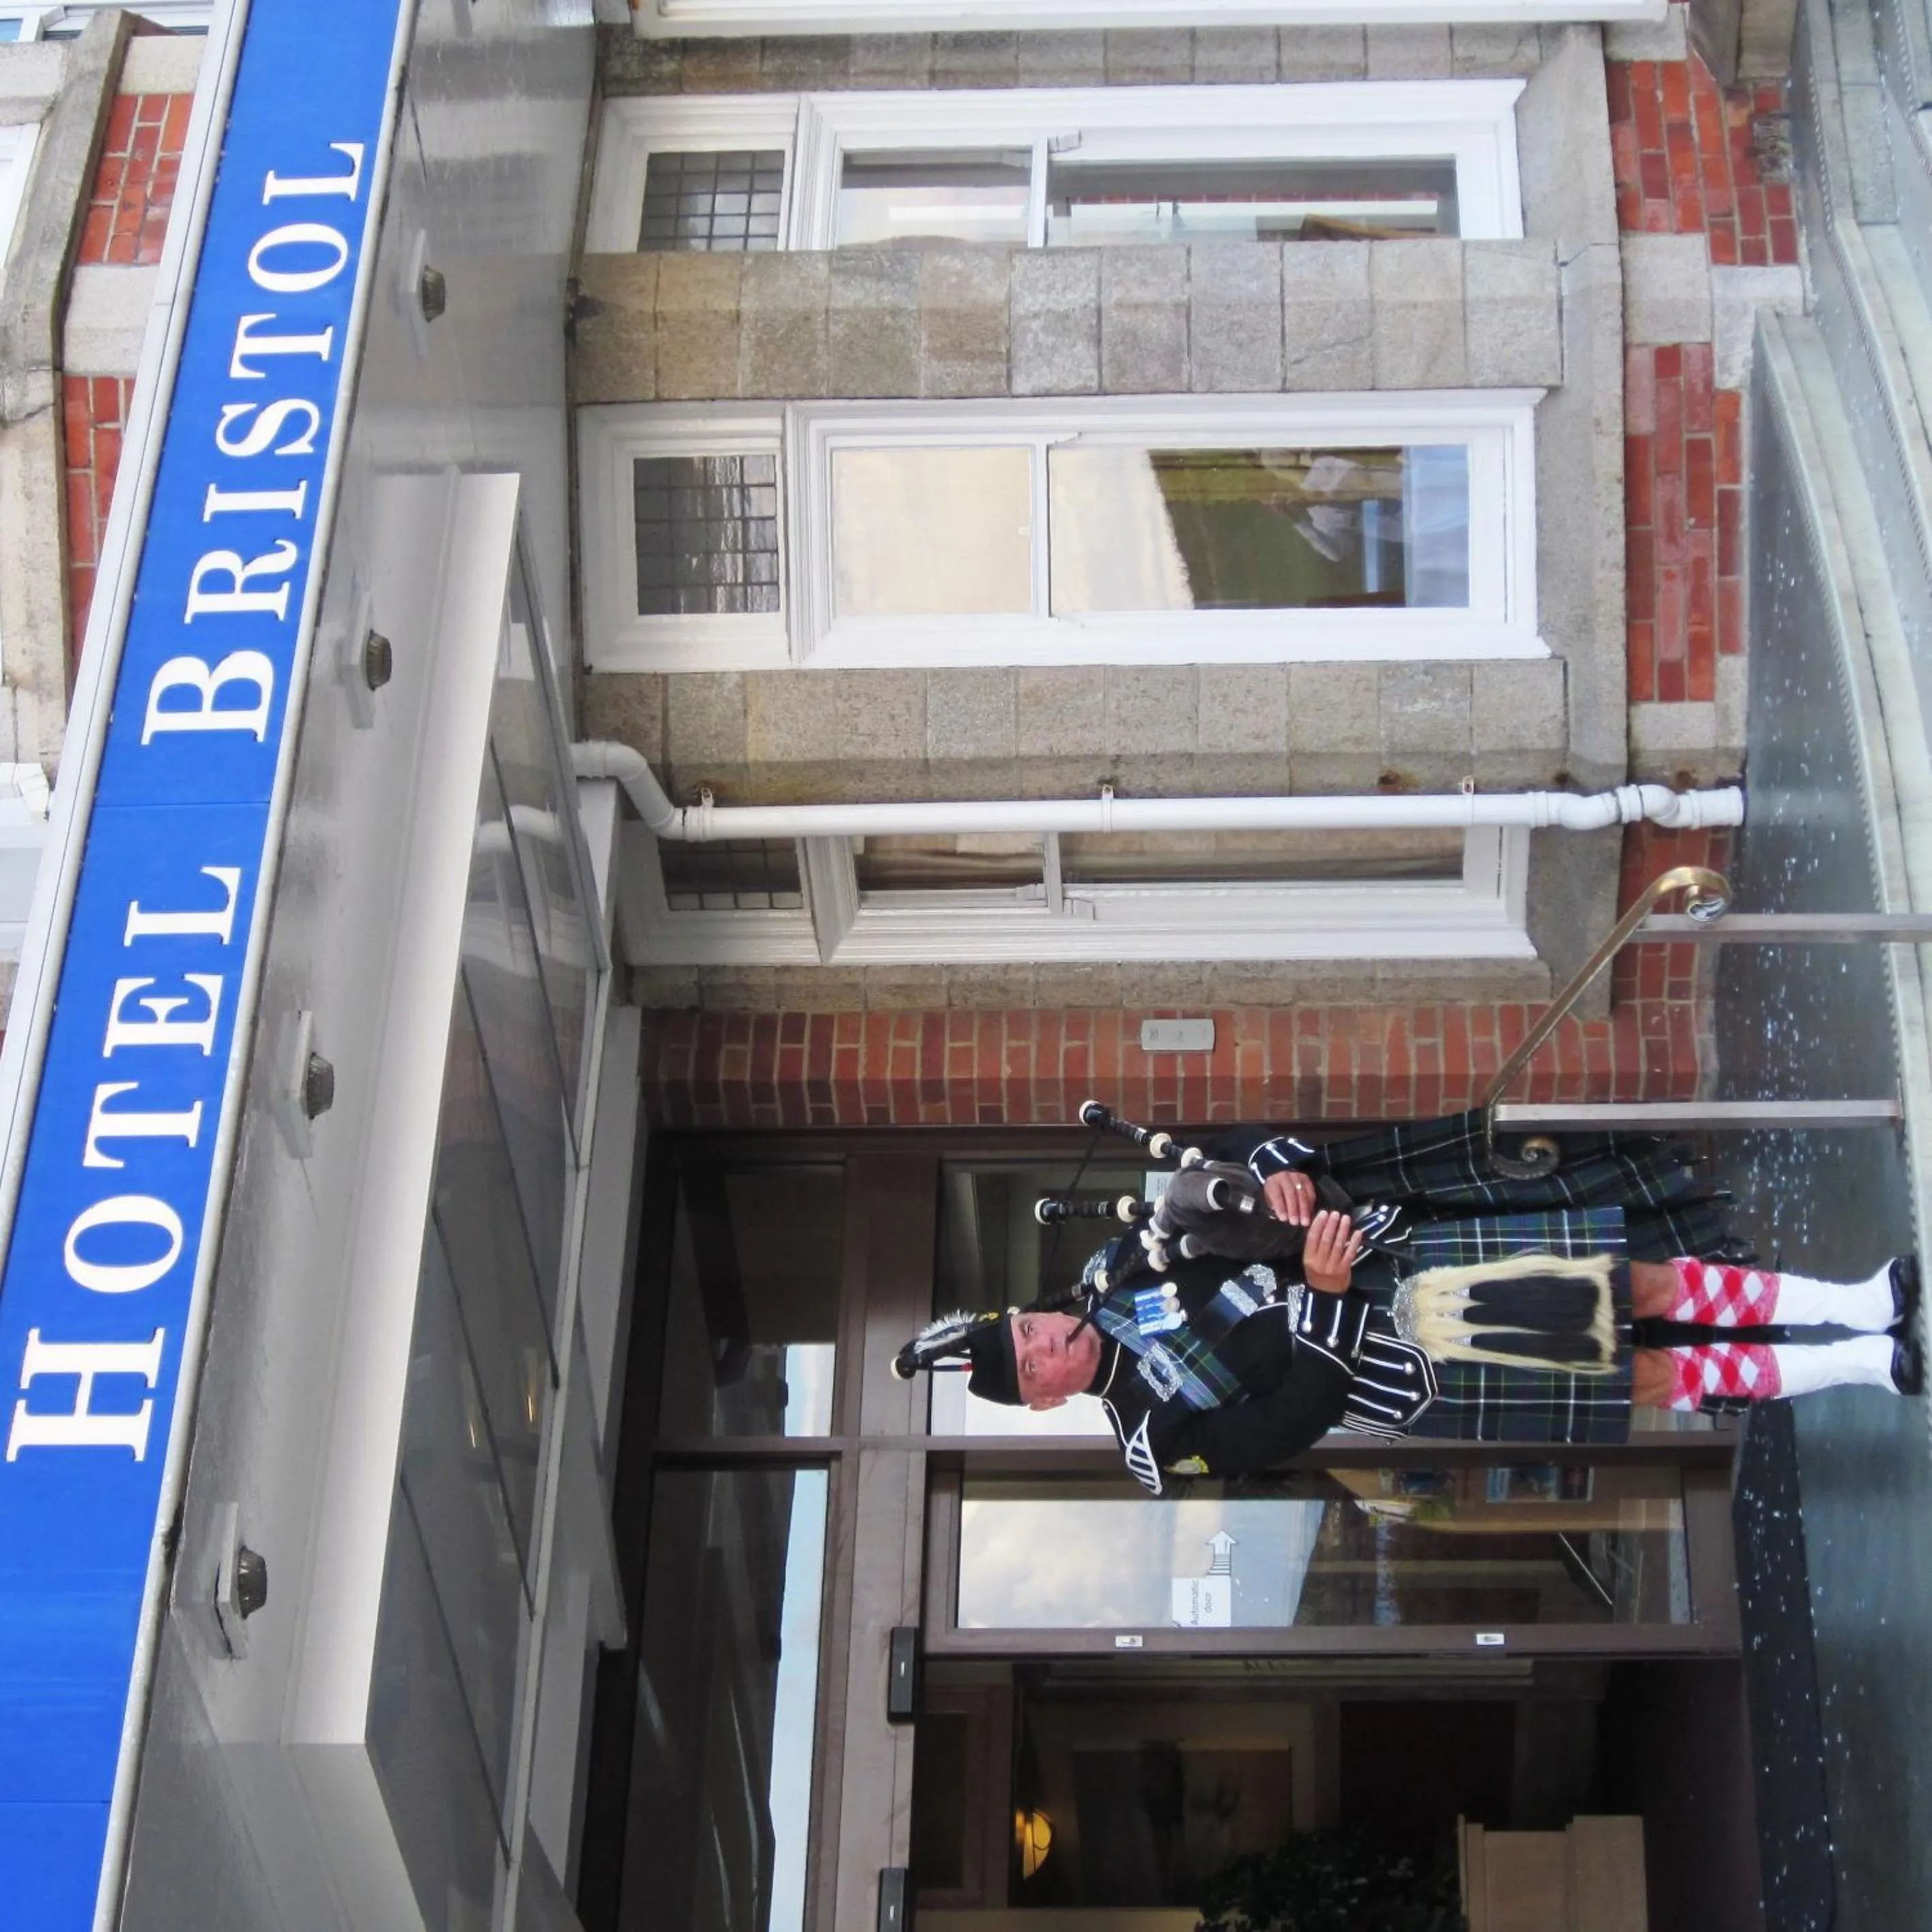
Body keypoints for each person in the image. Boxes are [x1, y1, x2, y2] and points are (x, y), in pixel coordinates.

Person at [894, 1112, 1922, 1495]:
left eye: (1023, 1329)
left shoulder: (1124, 1260)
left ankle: (1854, 1296)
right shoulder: (1149, 1442)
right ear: (1041, 1399)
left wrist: (1278, 1184)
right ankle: (1859, 1364)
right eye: (1031, 1363)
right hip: (1409, 1363)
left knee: (1631, 1283)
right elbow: (1277, 1428)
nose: (1042, 1343)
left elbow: (1234, 1170)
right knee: (1635, 1369)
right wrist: (1328, 1299)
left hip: (1404, 1265)